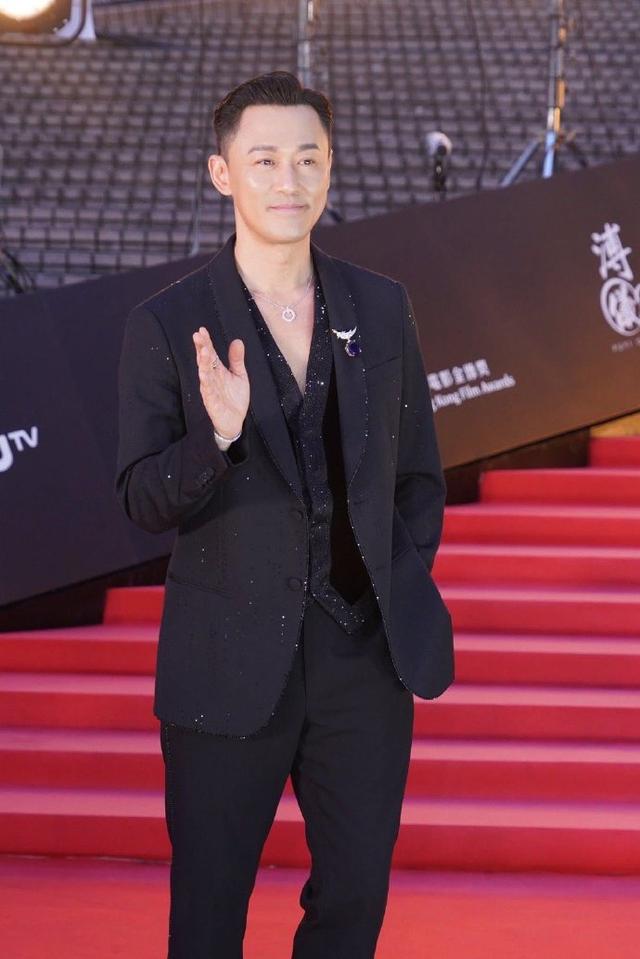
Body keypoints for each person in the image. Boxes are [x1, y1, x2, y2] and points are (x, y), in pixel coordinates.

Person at [115, 69, 453, 959]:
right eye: (264, 159)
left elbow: (418, 477)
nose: (289, 179)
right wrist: (215, 440)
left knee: (354, 903)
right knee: (208, 916)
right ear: (222, 172)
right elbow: (141, 497)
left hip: (362, 663)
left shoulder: (380, 306)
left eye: (308, 158)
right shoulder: (167, 324)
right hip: (225, 663)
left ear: (330, 167)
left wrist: (386, 585)